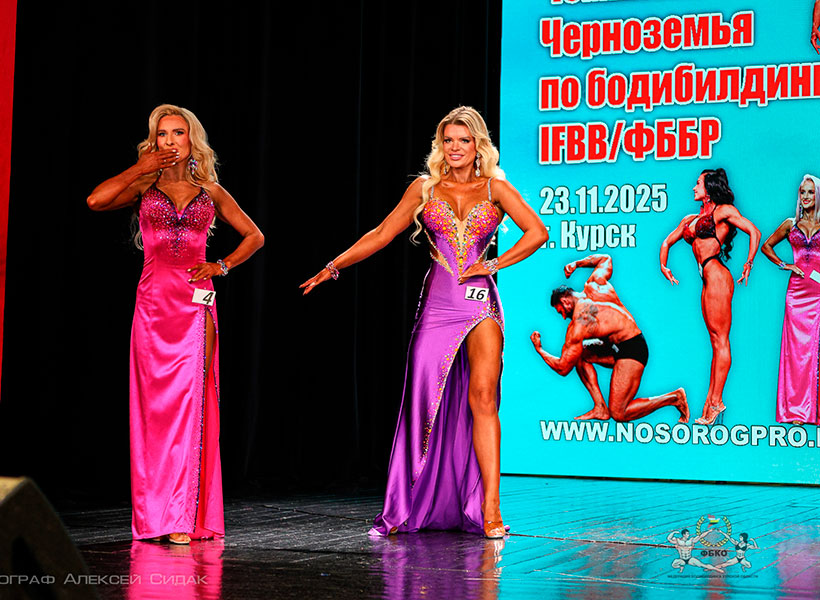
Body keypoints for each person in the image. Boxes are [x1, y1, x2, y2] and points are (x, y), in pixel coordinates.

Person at [300, 106, 547, 539]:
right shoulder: (424, 188)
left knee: (483, 399)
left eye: (463, 140)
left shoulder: (496, 188)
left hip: (481, 305)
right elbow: (381, 233)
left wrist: (493, 264)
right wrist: (333, 266)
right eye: (448, 140)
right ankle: (406, 503)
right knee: (421, 401)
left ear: (478, 146)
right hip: (438, 305)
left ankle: (490, 509)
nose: (455, 148)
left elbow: (537, 232)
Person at [86, 104, 264, 544]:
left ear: (191, 139)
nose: (170, 141)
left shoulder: (210, 191)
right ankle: (156, 517)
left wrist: (221, 265)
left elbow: (255, 236)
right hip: (152, 306)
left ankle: (184, 518)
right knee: (154, 412)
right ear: (154, 141)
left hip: (196, 306)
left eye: (178, 133)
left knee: (192, 407)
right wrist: (139, 167)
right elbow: (95, 201)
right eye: (162, 134)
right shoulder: (143, 187)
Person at [530, 254, 688, 422]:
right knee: (580, 355)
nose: (563, 317)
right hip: (616, 346)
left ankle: (674, 398)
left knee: (619, 413)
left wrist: (539, 350)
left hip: (633, 349)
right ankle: (600, 407)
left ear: (565, 301)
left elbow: (563, 368)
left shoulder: (579, 323)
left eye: (560, 311)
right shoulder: (595, 284)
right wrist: (576, 264)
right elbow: (605, 259)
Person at [659, 169, 761, 425]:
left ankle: (716, 402)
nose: (694, 188)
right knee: (715, 342)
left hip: (717, 275)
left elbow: (754, 231)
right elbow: (667, 242)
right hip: (706, 279)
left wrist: (749, 262)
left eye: (698, 183)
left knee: (721, 340)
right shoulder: (690, 219)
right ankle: (710, 404)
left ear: (709, 188)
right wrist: (664, 266)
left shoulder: (723, 211)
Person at [761, 174, 820, 425]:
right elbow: (766, 246)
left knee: (816, 350)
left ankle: (814, 409)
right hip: (796, 294)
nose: (805, 197)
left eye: (810, 192)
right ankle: (797, 411)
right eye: (802, 192)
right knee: (797, 352)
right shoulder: (790, 224)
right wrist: (785, 265)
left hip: (818, 293)